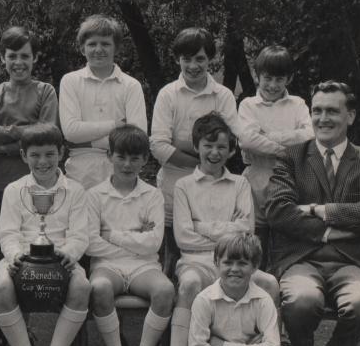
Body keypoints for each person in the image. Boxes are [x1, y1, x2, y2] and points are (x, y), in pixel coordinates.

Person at [264, 80, 360, 346]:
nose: (323, 119)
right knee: (302, 300)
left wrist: (324, 211)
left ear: (351, 116)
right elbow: (278, 210)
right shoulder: (291, 158)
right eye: (317, 111)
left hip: (353, 262)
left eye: (333, 111)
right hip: (301, 258)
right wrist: (334, 230)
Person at [159, 111, 280, 346]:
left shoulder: (240, 183)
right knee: (187, 285)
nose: (214, 153)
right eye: (208, 146)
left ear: (232, 150)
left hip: (235, 263)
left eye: (222, 147)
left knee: (271, 283)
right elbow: (183, 237)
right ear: (197, 146)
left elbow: (246, 231)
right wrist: (227, 232)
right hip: (196, 262)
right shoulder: (184, 185)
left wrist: (203, 227)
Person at [0, 124, 91, 346]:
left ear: (61, 153)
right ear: (24, 156)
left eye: (50, 154)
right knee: (0, 286)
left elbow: (80, 235)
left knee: (82, 287)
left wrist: (68, 255)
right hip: (23, 256)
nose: (43, 162)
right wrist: (15, 257)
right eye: (35, 155)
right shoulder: (14, 190)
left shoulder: (76, 190)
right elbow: (9, 234)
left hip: (61, 258)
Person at [86, 125, 175, 346]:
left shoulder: (151, 194)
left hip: (144, 266)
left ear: (145, 160)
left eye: (135, 158)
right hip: (106, 266)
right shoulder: (94, 195)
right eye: (121, 157)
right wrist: (135, 241)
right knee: (99, 288)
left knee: (165, 290)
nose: (127, 164)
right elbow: (90, 243)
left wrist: (111, 234)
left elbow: (154, 243)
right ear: (109, 156)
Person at [172, 233, 305, 346]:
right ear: (216, 263)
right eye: (228, 263)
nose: (234, 269)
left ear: (255, 266)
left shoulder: (263, 300)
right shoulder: (204, 300)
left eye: (242, 263)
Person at [149, 27, 243, 268]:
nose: (193, 66)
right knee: (171, 262)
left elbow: (231, 140)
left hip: (215, 192)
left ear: (210, 59)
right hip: (172, 189)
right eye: (186, 59)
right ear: (177, 60)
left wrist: (196, 153)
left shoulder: (222, 95)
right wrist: (203, 161)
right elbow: (158, 145)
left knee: (214, 255)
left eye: (199, 58)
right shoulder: (168, 94)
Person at [236, 45, 313, 266]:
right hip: (256, 181)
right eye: (267, 78)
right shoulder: (248, 105)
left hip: (290, 179)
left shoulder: (297, 104)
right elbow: (247, 140)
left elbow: (309, 136)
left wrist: (267, 136)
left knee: (284, 240)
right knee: (256, 241)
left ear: (289, 79)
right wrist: (285, 148)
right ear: (257, 75)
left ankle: (282, 288)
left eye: (279, 79)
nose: (272, 85)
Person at [58, 14, 147, 190]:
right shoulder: (70, 81)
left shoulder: (131, 85)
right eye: (92, 44)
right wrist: (116, 125)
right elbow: (71, 132)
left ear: (116, 48)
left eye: (105, 44)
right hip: (80, 171)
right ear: (83, 49)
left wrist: (89, 141)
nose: (99, 49)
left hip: (122, 168)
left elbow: (137, 137)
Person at [0, 26, 59, 221]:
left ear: (35, 57)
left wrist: (4, 145)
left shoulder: (46, 91)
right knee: (3, 240)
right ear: (2, 58)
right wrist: (25, 131)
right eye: (12, 56)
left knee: (37, 239)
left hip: (38, 179)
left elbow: (47, 135)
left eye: (25, 56)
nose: (18, 62)